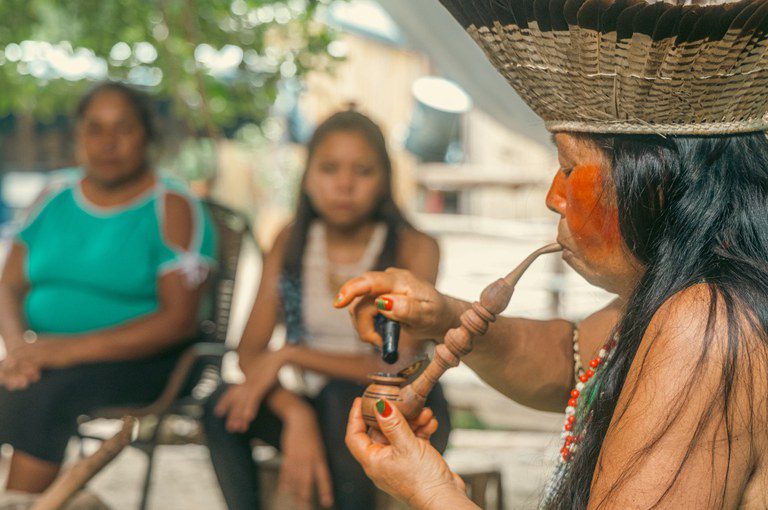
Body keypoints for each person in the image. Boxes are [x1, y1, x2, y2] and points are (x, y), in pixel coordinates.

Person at [336, 1, 768, 508]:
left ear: (655, 185)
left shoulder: (707, 325)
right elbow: (577, 361)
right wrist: (445, 317)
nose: (553, 197)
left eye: (569, 166)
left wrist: (435, 493)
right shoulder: (694, 291)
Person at [203, 109, 452, 510]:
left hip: (402, 407)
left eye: (362, 171)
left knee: (342, 399)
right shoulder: (290, 242)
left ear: (385, 180)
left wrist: (291, 353)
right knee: (220, 406)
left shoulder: (414, 247)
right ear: (308, 178)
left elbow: (396, 362)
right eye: (329, 169)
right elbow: (250, 352)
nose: (344, 185)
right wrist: (294, 414)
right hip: (316, 403)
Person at [0, 82, 218, 493]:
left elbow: (177, 322)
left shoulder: (171, 206)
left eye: (123, 128)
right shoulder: (52, 197)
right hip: (44, 354)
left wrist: (60, 352)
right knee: (26, 381)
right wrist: (17, 348)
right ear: (78, 136)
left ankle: (21, 503)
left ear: (147, 136)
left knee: (44, 392)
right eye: (94, 129)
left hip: (152, 363)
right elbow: (7, 285)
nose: (107, 142)